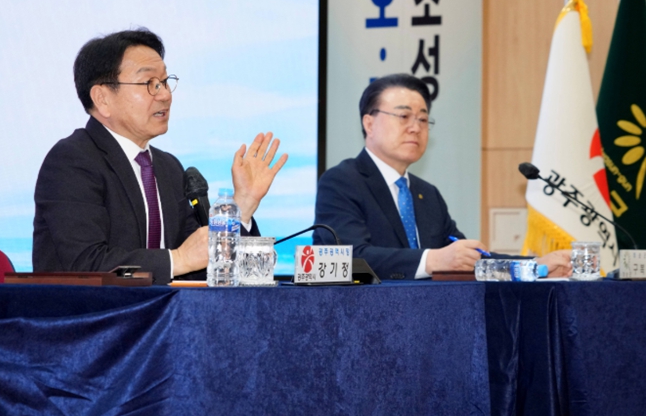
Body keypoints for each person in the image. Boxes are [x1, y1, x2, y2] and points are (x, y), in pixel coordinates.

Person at [33, 28, 287, 284]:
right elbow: (88, 267)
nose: (165, 95)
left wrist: (243, 205)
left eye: (164, 82)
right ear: (102, 99)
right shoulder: (72, 161)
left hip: (165, 310)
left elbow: (205, 269)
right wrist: (178, 259)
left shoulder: (168, 169)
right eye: (149, 84)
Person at [313, 73, 570, 280]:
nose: (415, 127)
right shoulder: (342, 182)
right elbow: (348, 260)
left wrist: (535, 266)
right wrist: (434, 260)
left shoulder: (427, 194)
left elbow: (471, 259)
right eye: (404, 116)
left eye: (423, 119)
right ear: (369, 124)